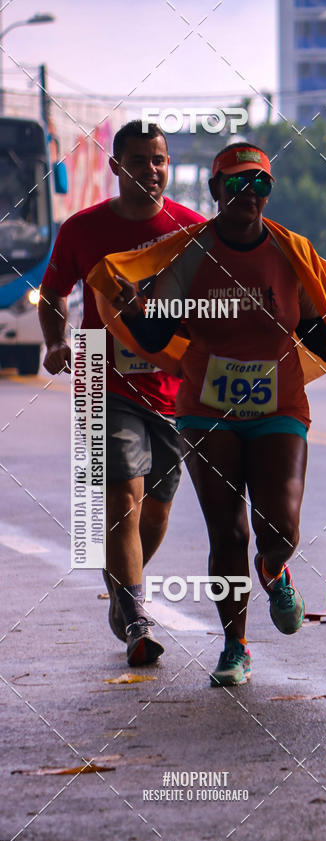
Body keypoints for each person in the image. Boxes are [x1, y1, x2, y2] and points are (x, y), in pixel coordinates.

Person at [106, 142, 326, 686]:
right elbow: (156, 333)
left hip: (279, 404)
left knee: (278, 528)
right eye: (239, 185)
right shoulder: (192, 253)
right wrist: (135, 307)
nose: (251, 195)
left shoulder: (292, 250)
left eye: (261, 185)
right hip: (207, 410)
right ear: (216, 191)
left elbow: (311, 324)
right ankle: (234, 646)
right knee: (227, 534)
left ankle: (274, 569)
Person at [39, 120, 205, 666]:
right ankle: (136, 616)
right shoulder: (83, 230)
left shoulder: (192, 230)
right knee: (124, 500)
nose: (150, 171)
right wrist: (56, 342)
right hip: (104, 384)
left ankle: (119, 589)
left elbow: (226, 294)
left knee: (156, 510)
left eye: (158, 160)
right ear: (116, 168)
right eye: (138, 161)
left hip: (173, 391)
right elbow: (53, 292)